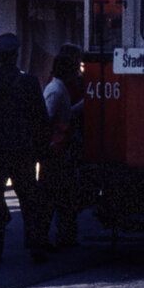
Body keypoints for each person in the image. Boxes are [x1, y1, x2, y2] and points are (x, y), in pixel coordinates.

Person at [0, 32, 49, 264]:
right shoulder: (30, 82)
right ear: (16, 55)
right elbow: (40, 119)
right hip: (22, 150)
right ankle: (37, 246)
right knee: (29, 199)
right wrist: (41, 149)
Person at [39, 46, 84, 250]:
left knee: (64, 196)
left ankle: (63, 235)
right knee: (52, 197)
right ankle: (43, 237)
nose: (77, 74)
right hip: (55, 152)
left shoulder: (59, 88)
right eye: (74, 70)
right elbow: (47, 118)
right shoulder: (56, 90)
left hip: (61, 148)